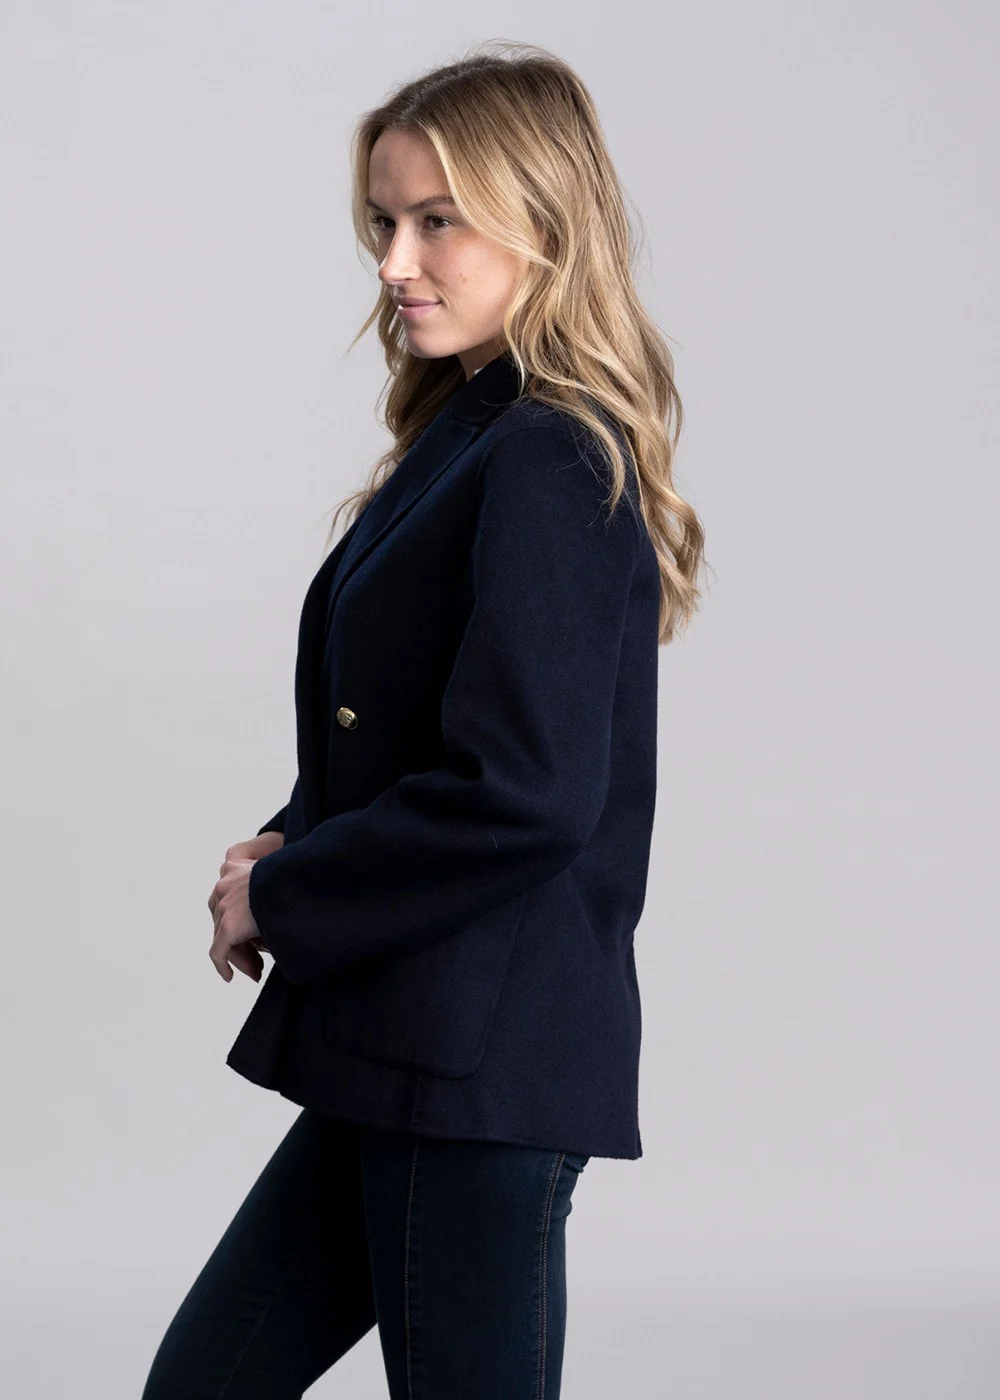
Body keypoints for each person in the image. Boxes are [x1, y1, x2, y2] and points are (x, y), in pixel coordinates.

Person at [141, 40, 705, 1400]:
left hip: (473, 1059)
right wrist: (292, 842)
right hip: (406, 1037)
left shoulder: (548, 453)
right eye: (384, 223)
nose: (396, 262)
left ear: (544, 223)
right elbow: (403, 734)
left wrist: (293, 894)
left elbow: (525, 792)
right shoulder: (476, 434)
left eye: (437, 221)